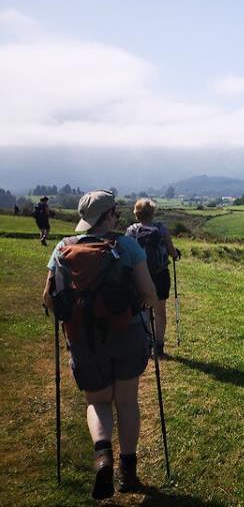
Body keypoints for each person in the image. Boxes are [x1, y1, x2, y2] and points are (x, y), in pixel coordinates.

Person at [42, 190, 159, 499]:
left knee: (97, 401)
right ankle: (128, 474)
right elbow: (148, 293)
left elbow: (48, 298)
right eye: (115, 214)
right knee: (126, 401)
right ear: (108, 216)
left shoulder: (62, 248)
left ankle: (103, 456)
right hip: (127, 334)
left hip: (85, 339)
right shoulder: (128, 246)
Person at [125, 198, 180, 357]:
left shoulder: (131, 231)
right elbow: (173, 253)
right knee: (160, 312)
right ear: (152, 213)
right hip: (160, 275)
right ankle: (159, 347)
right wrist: (176, 254)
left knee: (144, 311)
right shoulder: (161, 229)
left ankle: (147, 344)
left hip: (139, 275)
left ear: (136, 213)